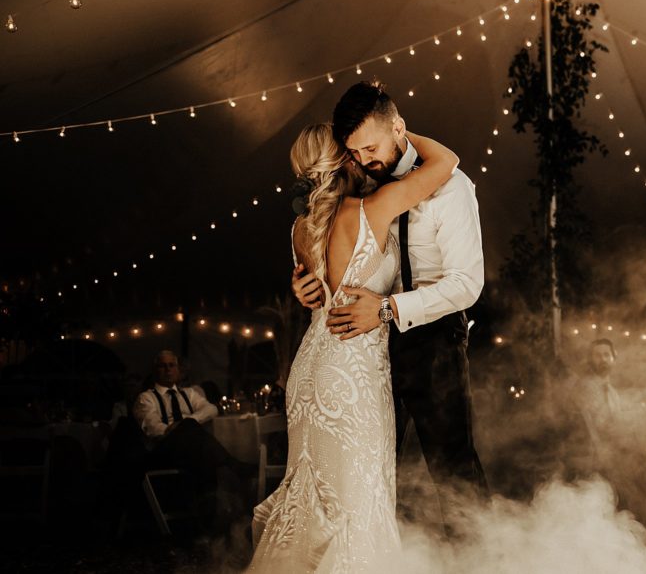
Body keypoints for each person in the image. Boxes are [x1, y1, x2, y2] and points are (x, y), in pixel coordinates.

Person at [250, 118, 459, 572]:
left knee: (311, 493)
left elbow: (315, 295)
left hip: (310, 370)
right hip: (354, 373)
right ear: (344, 156)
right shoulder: (373, 209)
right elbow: (446, 161)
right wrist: (398, 131)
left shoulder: (299, 228)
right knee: (357, 496)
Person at [290, 82, 488, 528]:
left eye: (371, 147)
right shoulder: (363, 193)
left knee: (451, 466)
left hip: (431, 340)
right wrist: (306, 283)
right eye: (353, 152)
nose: (364, 160)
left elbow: (466, 283)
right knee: (375, 471)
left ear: (399, 128)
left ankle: (478, 560)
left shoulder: (451, 188)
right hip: (365, 353)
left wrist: (388, 309)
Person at [133, 350, 251, 534]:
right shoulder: (146, 398)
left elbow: (211, 409)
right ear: (155, 370)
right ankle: (231, 464)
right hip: (163, 451)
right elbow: (154, 429)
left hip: (191, 451)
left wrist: (187, 423)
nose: (167, 369)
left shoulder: (189, 393)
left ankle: (207, 527)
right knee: (195, 437)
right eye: (162, 366)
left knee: (204, 460)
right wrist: (180, 429)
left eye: (171, 365)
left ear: (178, 369)